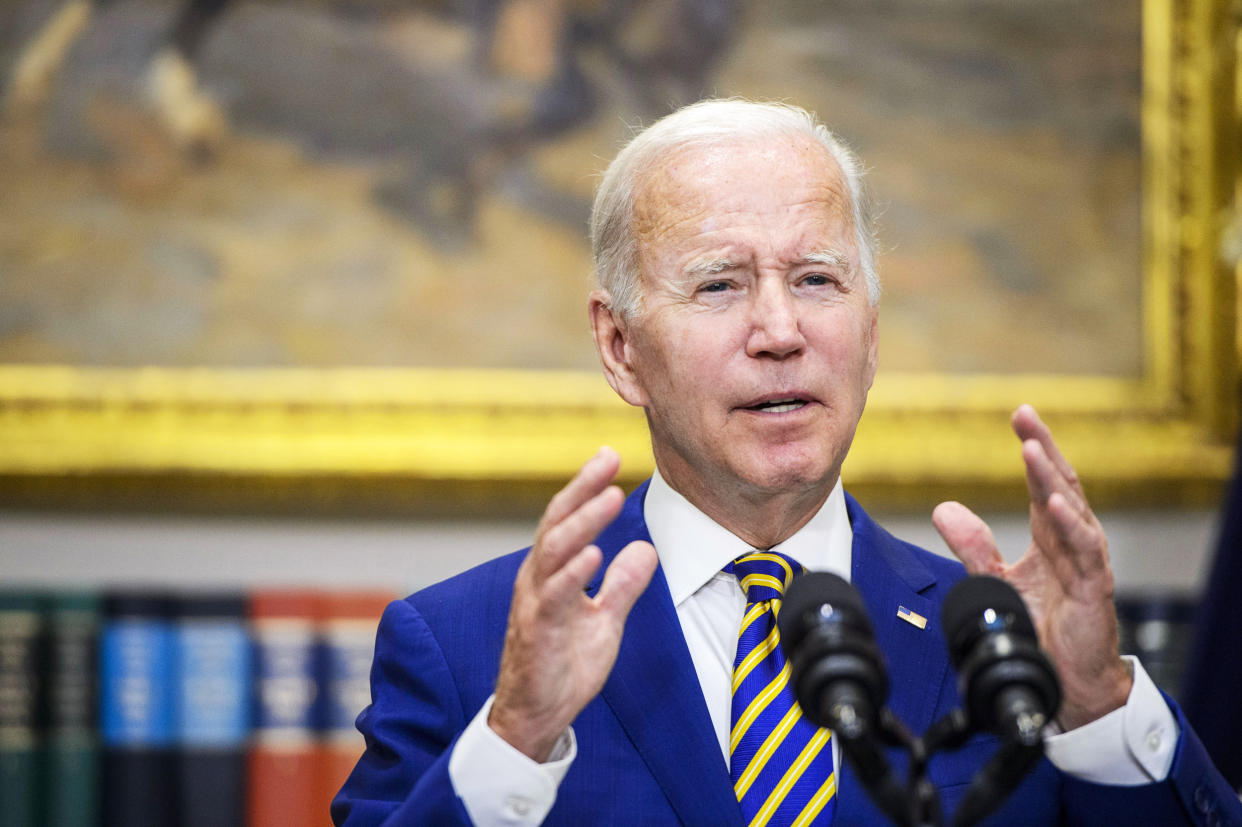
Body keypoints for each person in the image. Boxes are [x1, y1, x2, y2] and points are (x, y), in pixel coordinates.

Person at [332, 99, 1240, 825]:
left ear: (871, 337)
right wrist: (516, 739)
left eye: (816, 279)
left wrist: (1100, 702)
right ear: (620, 348)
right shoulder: (464, 647)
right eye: (720, 284)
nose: (780, 331)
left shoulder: (1009, 648)